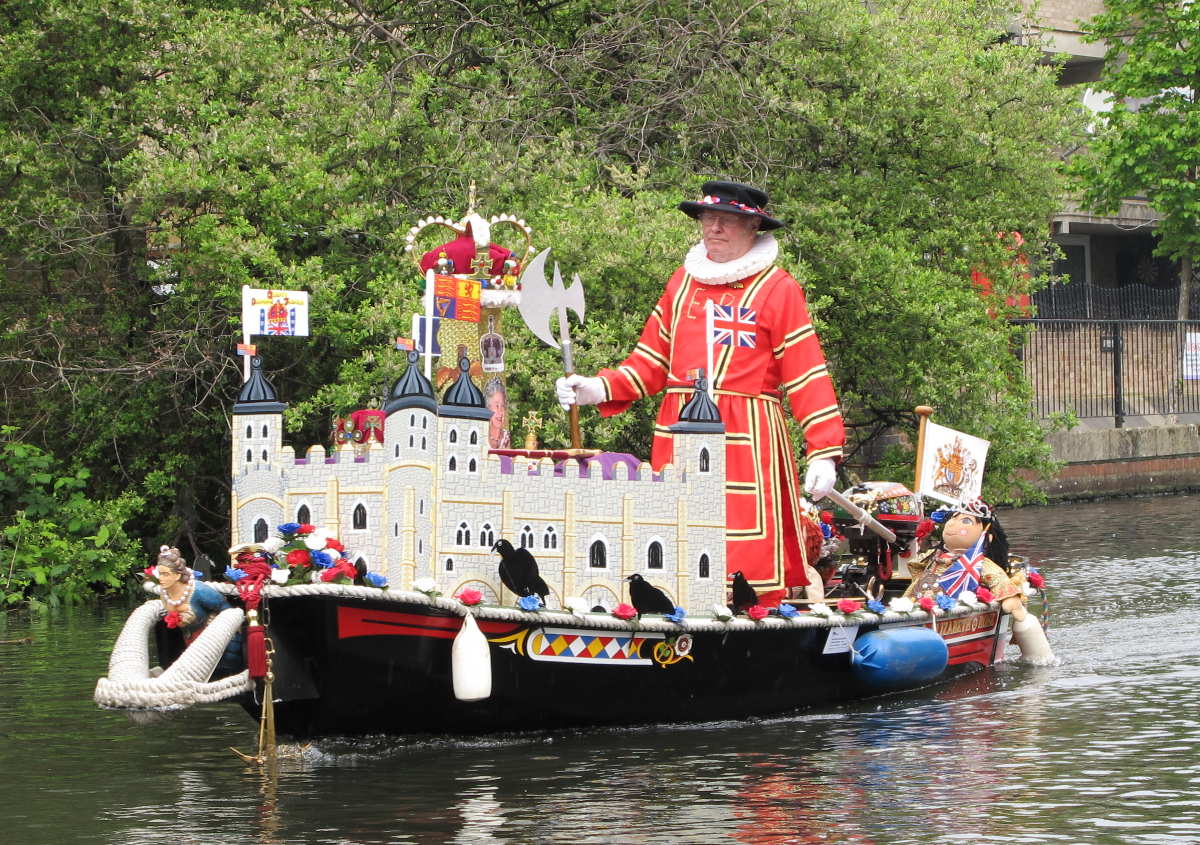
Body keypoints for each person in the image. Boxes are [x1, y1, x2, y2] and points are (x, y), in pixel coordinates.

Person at [556, 181, 845, 606]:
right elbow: (650, 362)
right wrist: (599, 388)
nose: (715, 227)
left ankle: (749, 615)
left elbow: (806, 373)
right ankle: (669, 605)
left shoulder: (778, 288)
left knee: (741, 540)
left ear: (754, 227)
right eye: (709, 218)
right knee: (674, 531)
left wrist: (824, 450)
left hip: (746, 435)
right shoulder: (682, 283)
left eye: (728, 220)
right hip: (677, 431)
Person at [155, 546, 244, 676]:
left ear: (177, 575)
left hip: (218, 643)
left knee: (223, 669)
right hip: (192, 644)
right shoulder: (164, 594)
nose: (161, 579)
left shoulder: (199, 591)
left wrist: (220, 625)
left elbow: (224, 607)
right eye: (160, 574)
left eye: (165, 574)